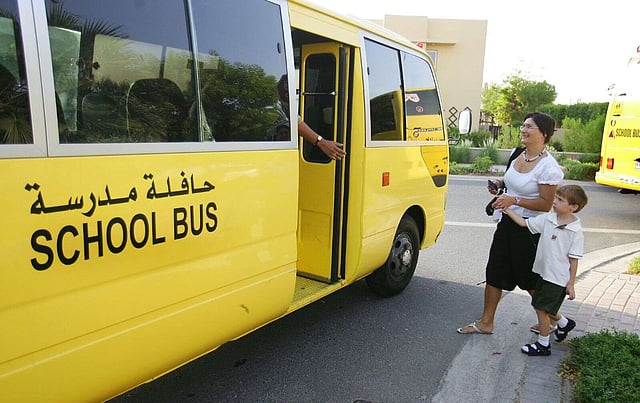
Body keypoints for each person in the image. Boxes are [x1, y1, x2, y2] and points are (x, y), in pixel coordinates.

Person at [457, 112, 564, 335]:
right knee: (495, 271)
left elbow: (546, 204)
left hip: (528, 229)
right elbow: (509, 181)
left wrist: (514, 200)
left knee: (530, 280)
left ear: (544, 134)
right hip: (507, 222)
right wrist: (499, 183)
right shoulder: (518, 154)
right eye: (523, 125)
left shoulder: (548, 168)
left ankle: (558, 320)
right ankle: (486, 322)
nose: (523, 130)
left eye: (530, 127)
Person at [502, 184, 587, 355]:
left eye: (560, 200)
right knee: (543, 305)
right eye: (555, 198)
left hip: (557, 278)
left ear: (573, 207)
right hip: (543, 273)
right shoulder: (548, 219)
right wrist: (507, 209)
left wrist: (571, 284)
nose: (554, 202)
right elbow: (524, 223)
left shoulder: (575, 231)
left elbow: (574, 259)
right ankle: (564, 324)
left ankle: (543, 344)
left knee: (541, 309)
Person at [275, 75, 346, 160]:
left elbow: (295, 120)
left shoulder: (282, 105)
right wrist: (321, 142)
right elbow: (295, 121)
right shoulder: (276, 105)